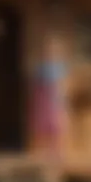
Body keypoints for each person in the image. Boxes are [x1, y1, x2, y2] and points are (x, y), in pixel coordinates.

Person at [32, 37, 68, 165]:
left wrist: (62, 98)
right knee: (44, 128)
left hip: (57, 101)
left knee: (58, 128)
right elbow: (37, 86)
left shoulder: (61, 67)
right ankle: (44, 153)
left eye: (54, 50)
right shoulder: (41, 68)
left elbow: (63, 84)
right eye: (49, 50)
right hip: (45, 102)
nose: (52, 53)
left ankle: (58, 153)